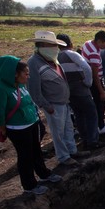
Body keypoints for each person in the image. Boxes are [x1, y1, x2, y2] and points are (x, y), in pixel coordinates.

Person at [0, 56, 62, 194]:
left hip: (31, 123)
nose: (28, 77)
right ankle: (29, 185)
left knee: (36, 151)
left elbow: (28, 101)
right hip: (18, 128)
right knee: (25, 155)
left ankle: (44, 174)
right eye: (26, 74)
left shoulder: (20, 84)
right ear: (14, 73)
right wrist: (2, 128)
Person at [27, 31, 88, 166]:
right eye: (52, 45)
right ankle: (63, 157)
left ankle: (72, 151)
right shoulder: (34, 63)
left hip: (64, 102)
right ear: (42, 45)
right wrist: (46, 105)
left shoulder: (53, 60)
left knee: (68, 128)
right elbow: (34, 90)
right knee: (58, 132)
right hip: (53, 104)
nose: (55, 48)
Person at [56, 34, 102, 150]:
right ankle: (93, 141)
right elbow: (86, 67)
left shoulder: (56, 57)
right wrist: (87, 83)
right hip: (80, 89)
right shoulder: (72, 54)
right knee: (92, 114)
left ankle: (85, 138)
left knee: (79, 114)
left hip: (68, 90)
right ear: (70, 44)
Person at [82, 31, 105, 134]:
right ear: (99, 41)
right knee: (100, 102)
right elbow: (95, 75)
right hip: (94, 81)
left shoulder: (88, 43)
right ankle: (100, 126)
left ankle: (99, 124)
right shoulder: (94, 53)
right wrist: (101, 91)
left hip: (88, 79)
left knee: (99, 103)